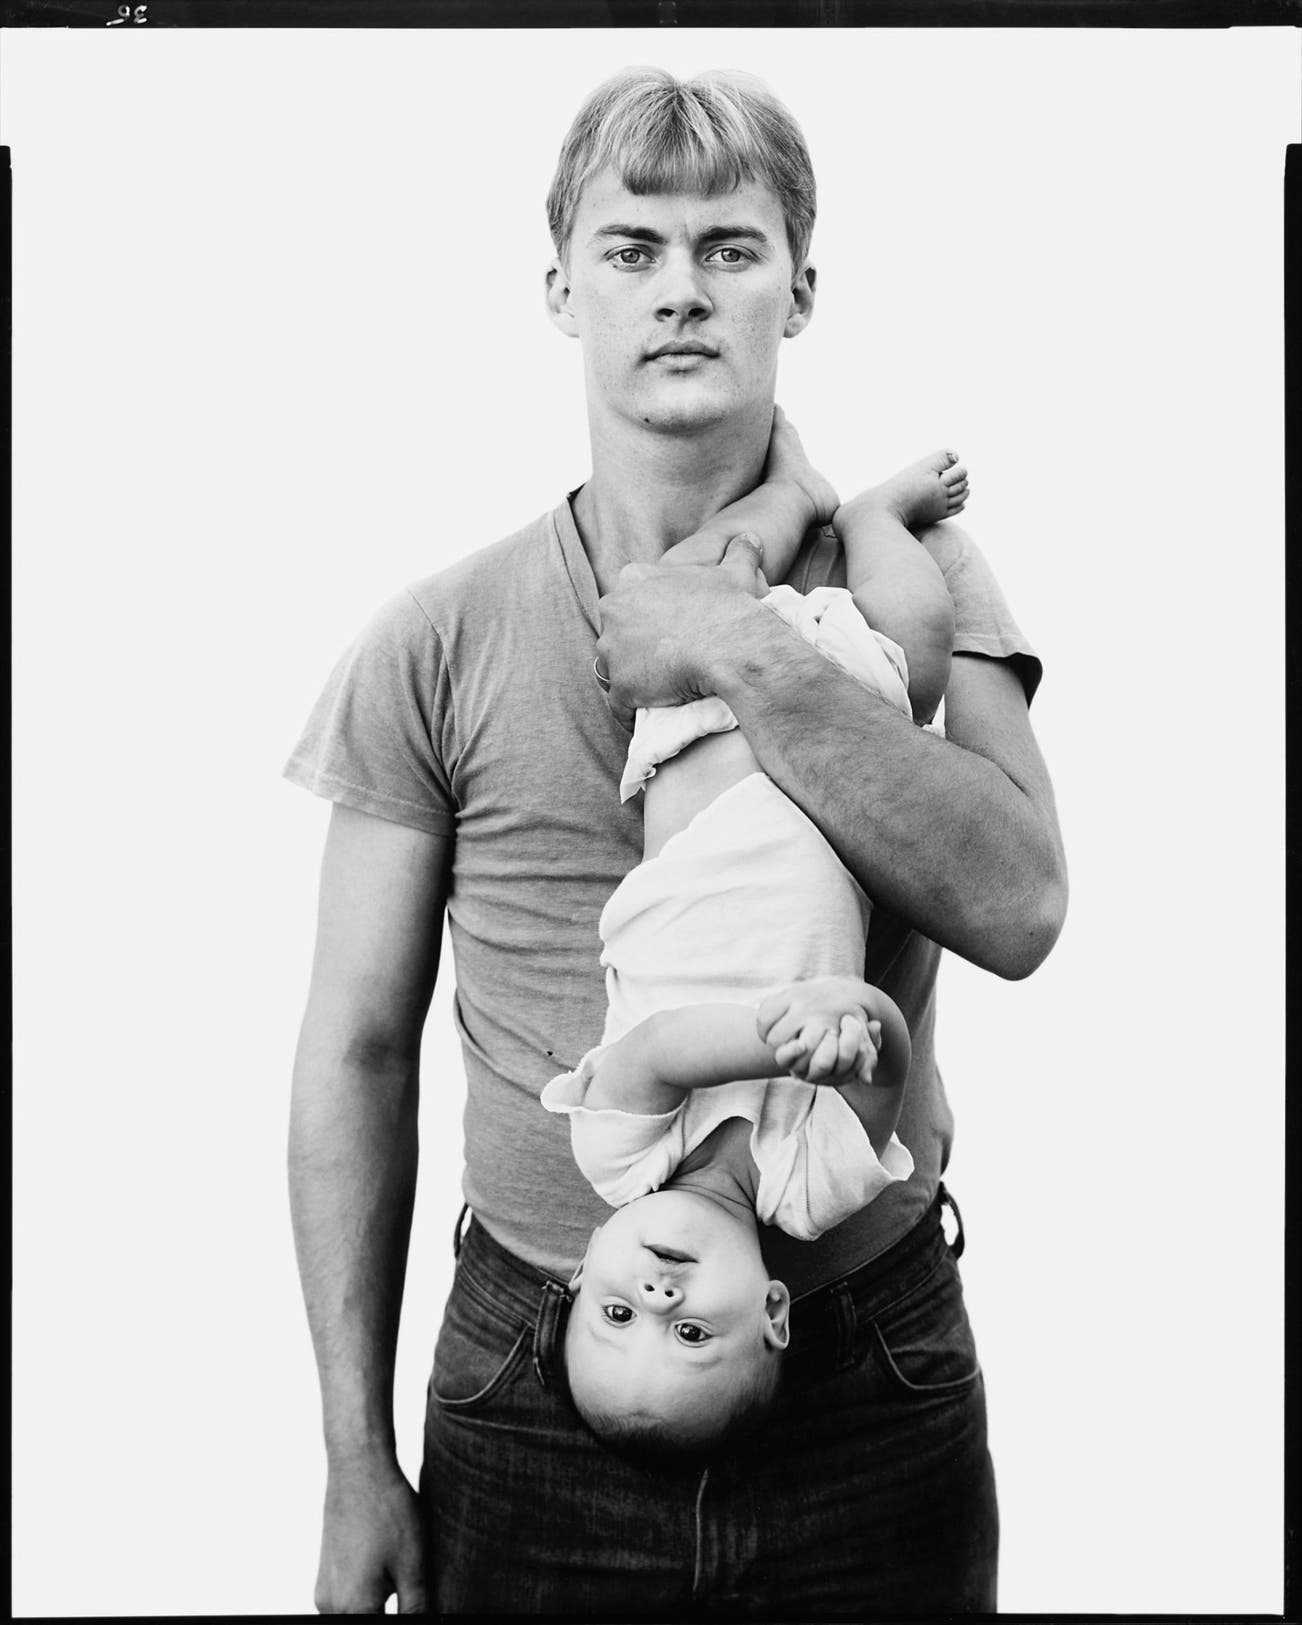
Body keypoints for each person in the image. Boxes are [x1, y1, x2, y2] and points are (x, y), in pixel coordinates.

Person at [286, 65, 1067, 1615]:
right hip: (531, 1376)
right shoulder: (436, 639)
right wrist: (353, 1454)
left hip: (866, 1371)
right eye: (632, 248)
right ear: (560, 289)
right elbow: (358, 1052)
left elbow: (1017, 904)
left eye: (729, 247)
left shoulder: (919, 578)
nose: (681, 290)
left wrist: (726, 641)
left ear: (800, 288)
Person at [546, 432, 969, 1456]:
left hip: (694, 730)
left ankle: (791, 492)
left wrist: (783, 1040)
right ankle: (869, 518)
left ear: (582, 1272)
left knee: (694, 579)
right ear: (773, 1311)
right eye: (691, 1333)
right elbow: (885, 1069)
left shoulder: (618, 1156)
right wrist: (859, 1029)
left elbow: (660, 1049)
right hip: (840, 735)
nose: (657, 1297)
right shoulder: (813, 1190)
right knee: (918, 640)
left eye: (614, 1312)